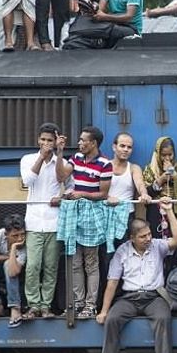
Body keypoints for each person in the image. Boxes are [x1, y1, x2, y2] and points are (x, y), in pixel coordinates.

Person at [95, 199, 177, 353]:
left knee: (163, 318)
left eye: (149, 234)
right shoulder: (122, 252)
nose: (148, 238)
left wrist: (169, 211)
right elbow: (112, 282)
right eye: (143, 236)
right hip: (129, 298)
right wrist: (104, 311)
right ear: (132, 238)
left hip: (154, 297)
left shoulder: (158, 246)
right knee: (112, 319)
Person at [56, 125, 112, 319]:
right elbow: (61, 176)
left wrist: (82, 194)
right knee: (74, 262)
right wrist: (60, 152)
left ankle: (90, 305)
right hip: (75, 214)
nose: (79, 143)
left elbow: (103, 194)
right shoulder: (76, 158)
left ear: (93, 143)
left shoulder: (105, 164)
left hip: (92, 214)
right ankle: (77, 303)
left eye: (83, 140)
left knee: (91, 263)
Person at [20, 123, 65, 318]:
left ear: (55, 142)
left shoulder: (60, 161)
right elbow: (27, 181)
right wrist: (41, 157)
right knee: (32, 266)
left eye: (50, 140)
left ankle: (46, 305)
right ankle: (33, 305)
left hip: (54, 221)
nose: (46, 143)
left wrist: (61, 197)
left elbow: (68, 184)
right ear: (38, 140)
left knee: (51, 266)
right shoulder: (28, 159)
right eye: (43, 140)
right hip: (33, 221)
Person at [143, 136, 177, 274]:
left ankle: (174, 280)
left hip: (176, 214)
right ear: (157, 154)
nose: (167, 158)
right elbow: (147, 193)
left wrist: (174, 175)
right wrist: (161, 179)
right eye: (163, 155)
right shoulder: (150, 170)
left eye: (170, 155)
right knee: (156, 249)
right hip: (156, 215)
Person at [105, 131, 149, 243]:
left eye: (129, 147)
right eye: (122, 146)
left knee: (124, 249)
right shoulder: (104, 165)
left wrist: (144, 194)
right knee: (104, 251)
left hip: (127, 216)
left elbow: (140, 184)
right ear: (114, 147)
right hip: (105, 213)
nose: (126, 149)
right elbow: (96, 188)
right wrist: (108, 197)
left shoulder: (134, 168)